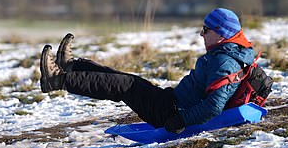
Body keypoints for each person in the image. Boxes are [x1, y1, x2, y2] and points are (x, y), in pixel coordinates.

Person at [38, 8, 257, 133]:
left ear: (221, 34)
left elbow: (214, 105)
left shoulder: (225, 62)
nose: (202, 34)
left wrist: (180, 122)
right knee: (128, 80)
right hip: (172, 101)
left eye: (206, 30)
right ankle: (72, 66)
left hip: (173, 114)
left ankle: (57, 80)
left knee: (123, 86)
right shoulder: (227, 54)